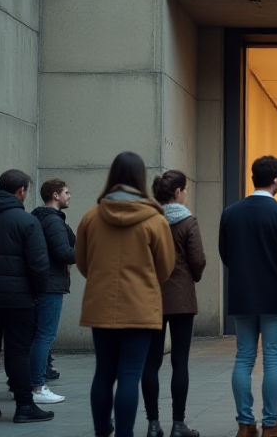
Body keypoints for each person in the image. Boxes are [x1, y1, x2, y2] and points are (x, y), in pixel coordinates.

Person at [76, 152, 176, 437]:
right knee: (131, 374)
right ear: (140, 178)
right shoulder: (155, 220)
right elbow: (165, 268)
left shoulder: (91, 217)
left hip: (100, 304)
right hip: (140, 308)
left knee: (104, 372)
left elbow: (83, 263)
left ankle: (100, 431)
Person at [220, 156, 277, 437]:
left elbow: (225, 254)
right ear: (276, 179)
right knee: (273, 359)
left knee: (244, 357)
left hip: (242, 295)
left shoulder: (231, 212)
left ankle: (244, 424)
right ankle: (270, 424)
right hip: (275, 296)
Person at [0, 169, 54, 424]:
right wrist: (37, 292)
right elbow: (39, 264)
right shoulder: (26, 222)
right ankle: (24, 406)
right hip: (19, 299)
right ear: (21, 191)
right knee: (18, 351)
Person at [142, 170, 207, 437]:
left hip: (151, 298)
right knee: (180, 361)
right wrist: (194, 276)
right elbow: (198, 260)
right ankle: (179, 425)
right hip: (181, 299)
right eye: (186, 189)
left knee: (151, 362)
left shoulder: (148, 220)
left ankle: (153, 424)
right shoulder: (187, 221)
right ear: (178, 192)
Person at [29, 178, 76, 404]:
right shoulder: (53, 221)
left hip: (40, 284)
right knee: (45, 335)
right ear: (55, 196)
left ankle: (31, 384)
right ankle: (37, 388)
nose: (69, 196)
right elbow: (64, 253)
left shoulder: (39, 217)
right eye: (66, 192)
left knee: (36, 336)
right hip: (51, 284)